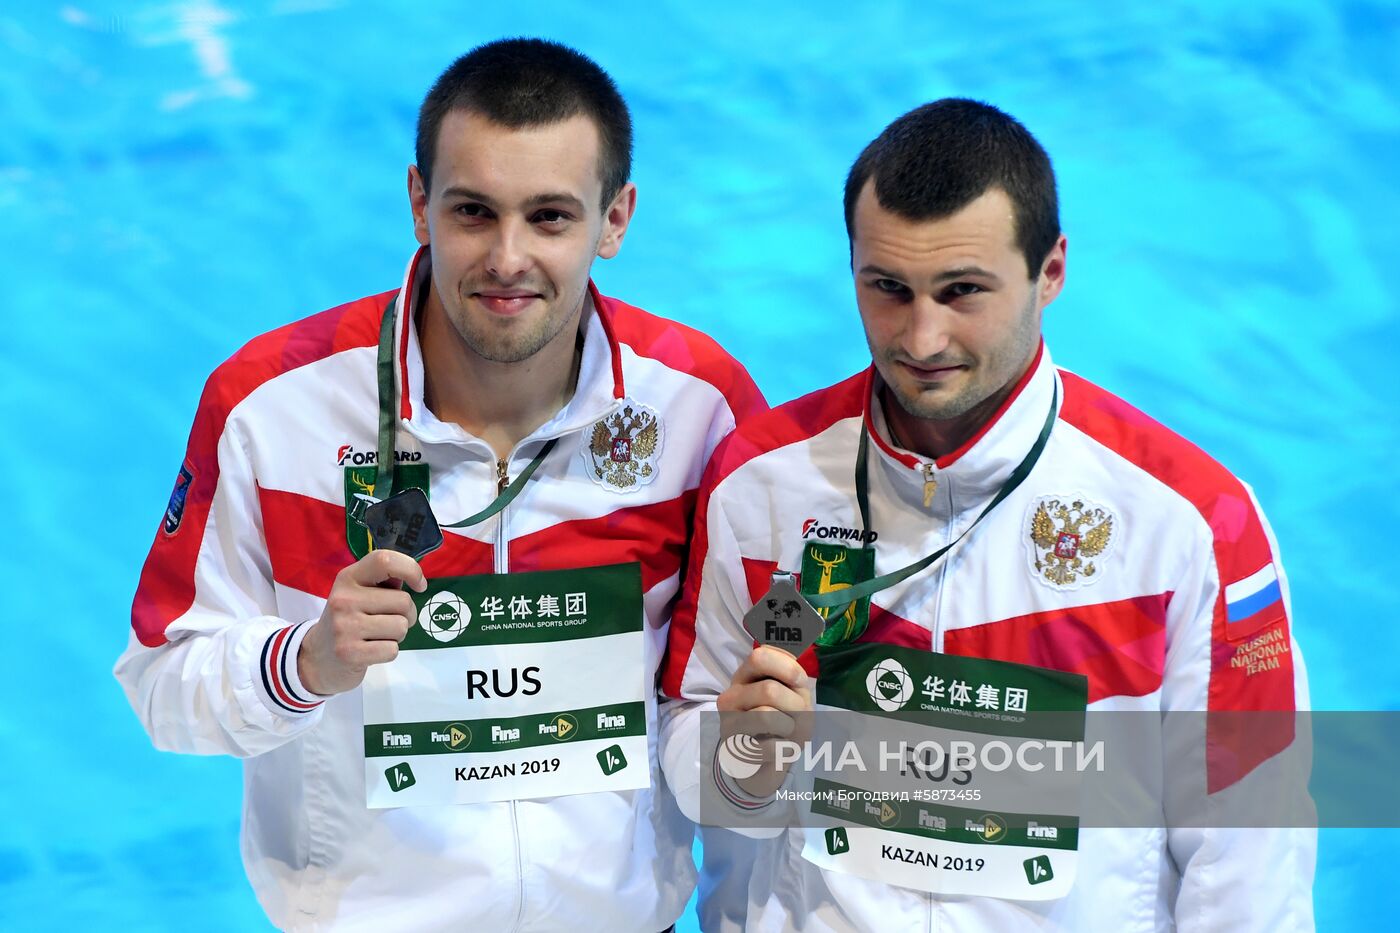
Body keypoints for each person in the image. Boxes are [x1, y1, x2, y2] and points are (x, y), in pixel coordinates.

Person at [116, 38, 765, 932]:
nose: (506, 258)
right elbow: (161, 684)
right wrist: (303, 663)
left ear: (615, 220)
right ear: (419, 203)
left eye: (549, 217)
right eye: (473, 211)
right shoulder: (271, 408)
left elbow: (725, 695)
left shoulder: (697, 408)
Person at [659, 99, 1314, 929]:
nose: (922, 338)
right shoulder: (761, 484)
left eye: (962, 291)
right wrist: (739, 756)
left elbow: (1251, 852)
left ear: (1052, 272)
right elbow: (693, 757)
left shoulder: (1189, 523)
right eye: (888, 289)